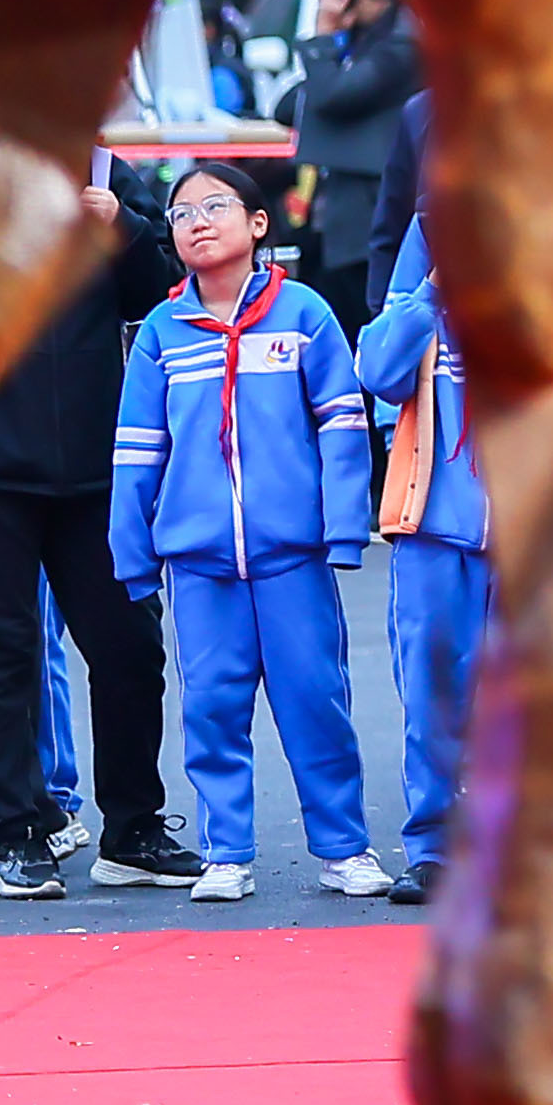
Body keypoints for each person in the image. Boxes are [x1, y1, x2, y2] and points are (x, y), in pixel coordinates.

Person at [110, 158, 382, 903]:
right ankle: (225, 851)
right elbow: (137, 449)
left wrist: (341, 527)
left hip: (291, 556)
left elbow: (342, 425)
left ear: (259, 225)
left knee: (315, 701)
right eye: (181, 213)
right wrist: (132, 552)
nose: (196, 222)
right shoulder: (164, 331)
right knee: (212, 708)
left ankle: (344, 846)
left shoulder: (305, 315)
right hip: (198, 563)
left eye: (214, 206)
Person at [0, 154, 179, 900]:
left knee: (130, 646)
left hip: (95, 463)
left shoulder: (105, 171)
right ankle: (14, 832)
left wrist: (123, 227)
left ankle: (133, 829)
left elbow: (163, 288)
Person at [359, 221, 491, 904]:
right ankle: (434, 848)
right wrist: (435, 287)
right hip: (435, 524)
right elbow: (377, 371)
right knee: (433, 693)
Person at [282, 0, 422, 324]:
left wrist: (322, 36)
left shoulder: (403, 43)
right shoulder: (365, 40)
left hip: (371, 211)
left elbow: (330, 96)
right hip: (342, 210)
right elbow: (291, 103)